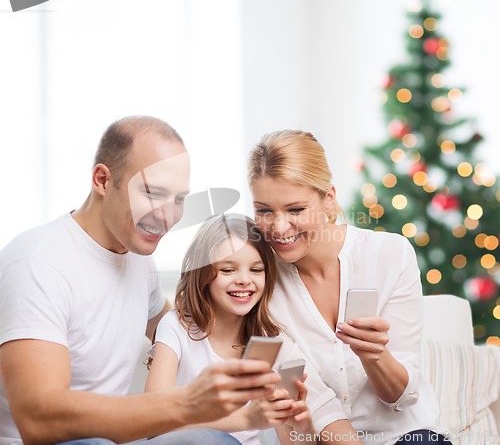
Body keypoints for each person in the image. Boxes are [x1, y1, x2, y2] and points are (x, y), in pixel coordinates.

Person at [0, 116, 280, 445]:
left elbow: (177, 324)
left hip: (114, 441)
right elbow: (38, 420)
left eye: (178, 200)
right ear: (103, 180)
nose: (167, 216)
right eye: (152, 193)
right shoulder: (38, 263)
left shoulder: (138, 259)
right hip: (58, 442)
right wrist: (189, 403)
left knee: (212, 439)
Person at [247, 130, 451, 445]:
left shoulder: (390, 255)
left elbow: (402, 397)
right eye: (264, 210)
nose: (278, 227)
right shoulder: (261, 284)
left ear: (328, 198)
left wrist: (374, 356)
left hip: (408, 436)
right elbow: (314, 402)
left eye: (295, 210)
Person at [145, 213, 316, 445]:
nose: (244, 280)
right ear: (203, 274)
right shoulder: (176, 327)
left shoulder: (272, 341)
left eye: (256, 270)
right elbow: (153, 422)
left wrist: (301, 429)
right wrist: (242, 419)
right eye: (228, 270)